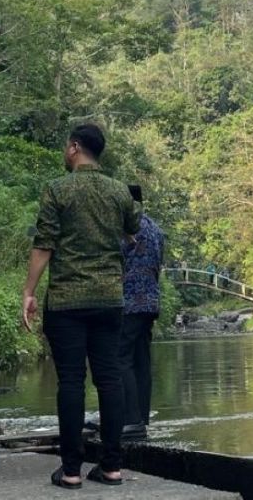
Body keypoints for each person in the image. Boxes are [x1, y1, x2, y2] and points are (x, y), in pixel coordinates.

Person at [20, 123, 139, 490]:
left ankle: (71, 470)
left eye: (65, 147)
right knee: (109, 378)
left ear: (74, 147)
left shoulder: (57, 189)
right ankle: (112, 467)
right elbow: (132, 230)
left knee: (71, 381)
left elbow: (44, 243)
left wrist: (29, 291)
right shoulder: (120, 191)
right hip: (109, 299)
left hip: (67, 300)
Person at [119, 184, 165, 441]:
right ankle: (141, 418)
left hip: (128, 302)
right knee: (142, 360)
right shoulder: (156, 229)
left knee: (120, 358)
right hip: (150, 301)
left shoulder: (125, 228)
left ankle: (130, 419)